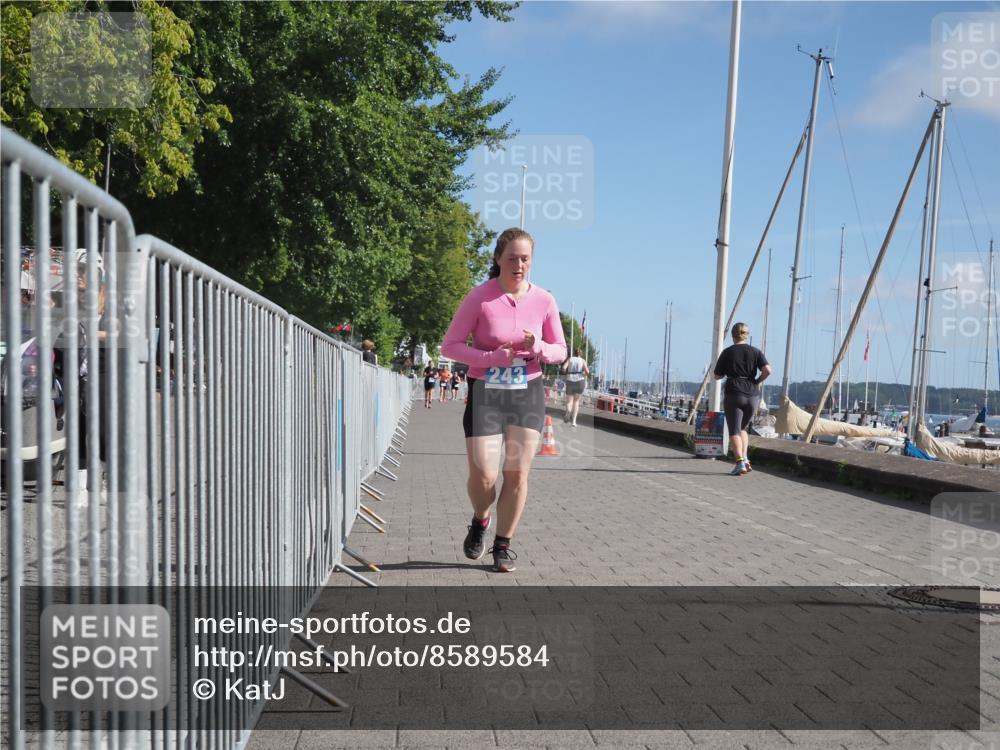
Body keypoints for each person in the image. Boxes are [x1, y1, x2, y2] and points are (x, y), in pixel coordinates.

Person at [441, 227, 567, 572]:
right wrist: (490, 358)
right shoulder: (479, 297)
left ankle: (502, 543)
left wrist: (536, 347)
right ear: (498, 259)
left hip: (527, 391)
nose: (520, 265)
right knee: (483, 475)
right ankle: (481, 518)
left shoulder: (544, 300)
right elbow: (450, 346)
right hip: (486, 391)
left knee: (517, 474)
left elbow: (560, 350)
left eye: (526, 259)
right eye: (512, 258)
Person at [713, 322, 772, 476]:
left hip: (734, 392)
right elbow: (767, 370)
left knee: (734, 430)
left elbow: (717, 375)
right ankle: (745, 459)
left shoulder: (727, 352)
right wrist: (757, 381)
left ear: (733, 335)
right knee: (743, 428)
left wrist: (728, 371)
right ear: (747, 334)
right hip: (752, 395)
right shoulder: (755, 351)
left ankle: (739, 462)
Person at [561, 348, 590, 427]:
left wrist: (565, 373)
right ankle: (574, 421)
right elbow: (587, 372)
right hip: (580, 381)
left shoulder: (570, 359)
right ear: (581, 354)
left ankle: (568, 411)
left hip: (570, 380)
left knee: (569, 401)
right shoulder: (583, 361)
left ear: (574, 353)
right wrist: (583, 374)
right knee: (576, 402)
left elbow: (563, 368)